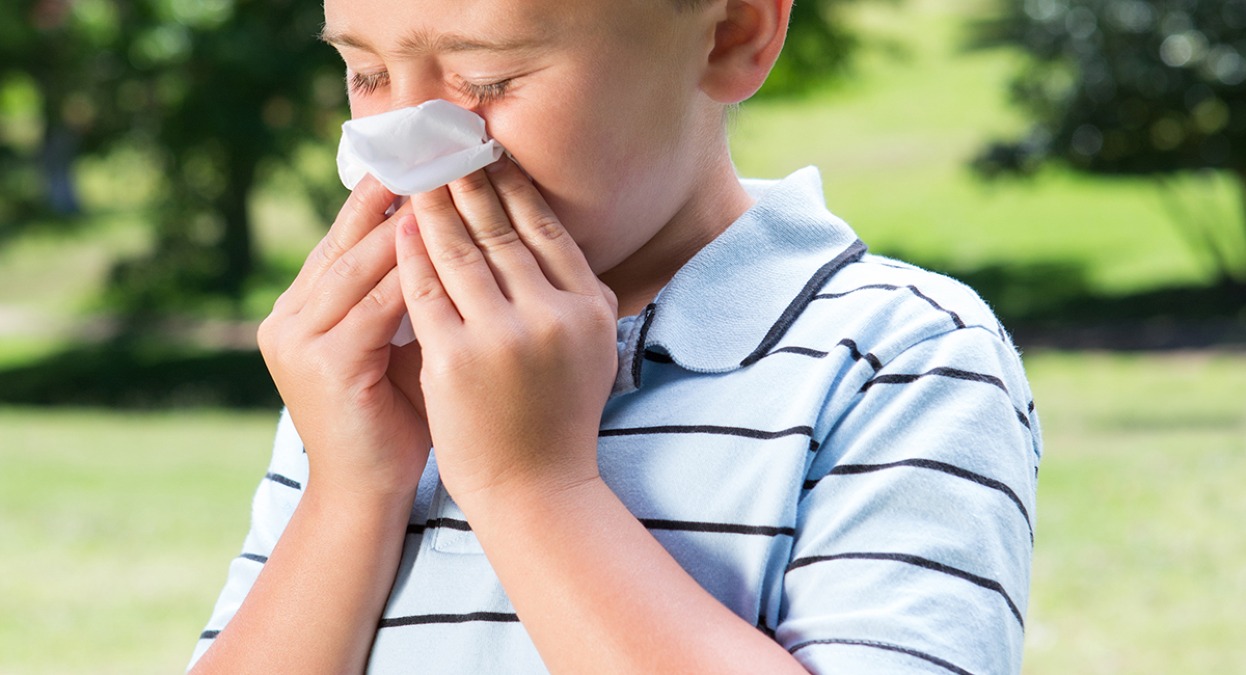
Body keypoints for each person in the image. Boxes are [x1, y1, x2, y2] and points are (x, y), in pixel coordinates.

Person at [189, 0, 1043, 672]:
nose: (400, 149)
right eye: (367, 73)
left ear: (731, 36)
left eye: (486, 78)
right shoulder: (369, 371)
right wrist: (349, 486)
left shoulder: (897, 359)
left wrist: (532, 484)